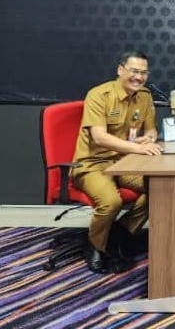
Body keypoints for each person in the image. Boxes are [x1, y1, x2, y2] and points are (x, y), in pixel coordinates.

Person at [71, 51, 163, 273]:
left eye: (143, 73)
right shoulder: (99, 95)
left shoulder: (145, 96)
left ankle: (120, 234)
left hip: (124, 163)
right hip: (91, 165)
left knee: (162, 189)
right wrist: (139, 148)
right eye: (134, 71)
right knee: (111, 202)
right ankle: (95, 246)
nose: (139, 77)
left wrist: (149, 138)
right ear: (120, 70)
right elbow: (100, 138)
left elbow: (152, 130)